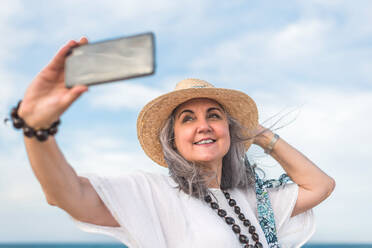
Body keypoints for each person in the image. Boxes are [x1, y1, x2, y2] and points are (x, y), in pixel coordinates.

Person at [12, 37, 335, 248]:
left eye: (214, 115)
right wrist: (36, 129)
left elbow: (319, 185)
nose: (203, 126)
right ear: (173, 140)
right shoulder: (155, 194)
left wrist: (260, 134)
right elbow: (69, 195)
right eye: (188, 119)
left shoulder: (251, 199)